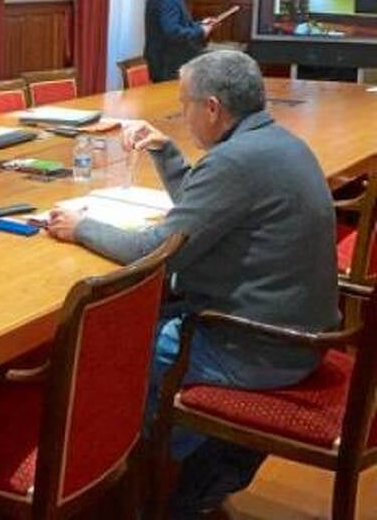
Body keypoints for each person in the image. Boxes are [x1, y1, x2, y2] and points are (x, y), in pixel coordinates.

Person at [45, 50, 339, 515]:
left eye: (184, 104)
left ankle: (153, 489)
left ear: (212, 108)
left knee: (110, 351)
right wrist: (166, 152)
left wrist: (80, 227)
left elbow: (155, 251)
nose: (183, 114)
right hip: (301, 333)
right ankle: (194, 468)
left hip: (256, 348)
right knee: (140, 322)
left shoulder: (234, 163)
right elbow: (206, 211)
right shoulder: (277, 143)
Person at [145, 0, 217, 82]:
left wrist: (201, 24)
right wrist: (201, 31)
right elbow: (172, 32)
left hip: (171, 62)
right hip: (168, 65)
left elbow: (179, 24)